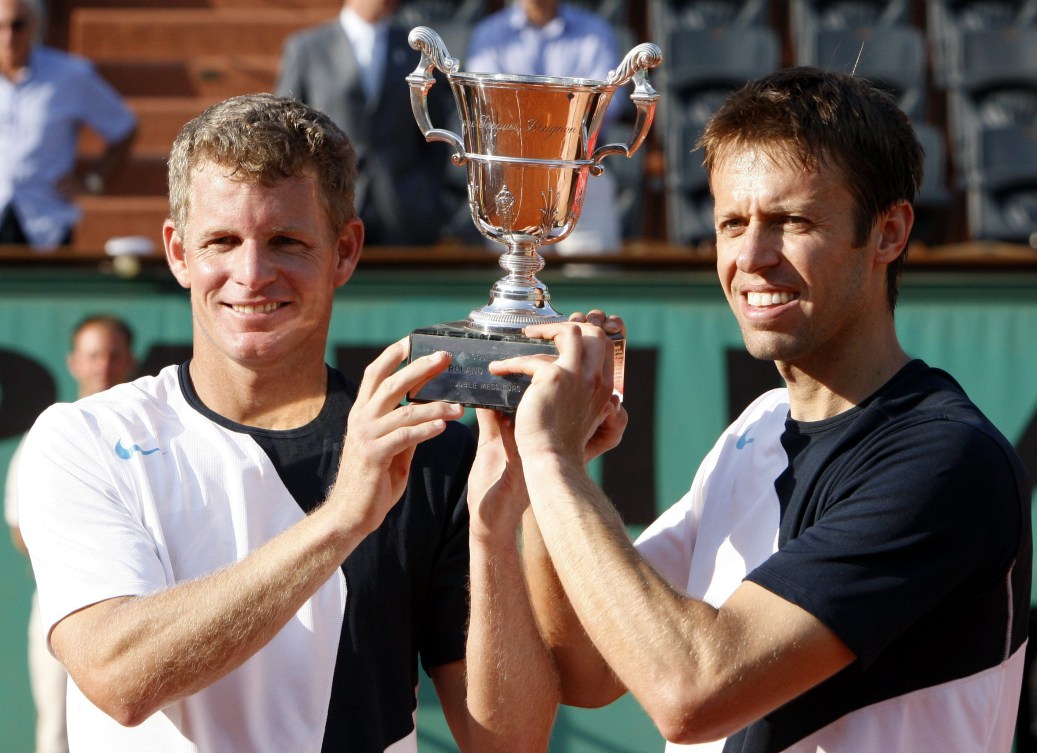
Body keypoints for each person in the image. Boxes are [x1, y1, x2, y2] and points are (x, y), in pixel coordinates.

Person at [477, 67, 1032, 752]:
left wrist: (552, 459)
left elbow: (692, 692)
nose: (751, 256)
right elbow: (589, 668)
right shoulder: (756, 427)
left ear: (887, 233)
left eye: (792, 220)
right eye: (731, 223)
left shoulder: (946, 459)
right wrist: (553, 480)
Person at [17, 93, 556, 753]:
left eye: (285, 241)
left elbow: (510, 743)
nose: (251, 273)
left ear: (345, 250)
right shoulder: (84, 440)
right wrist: (343, 518)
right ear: (177, 251)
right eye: (222, 240)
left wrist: (499, 518)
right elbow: (120, 677)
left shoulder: (429, 453)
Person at [4, 314, 136, 753]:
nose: (104, 365)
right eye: (95, 354)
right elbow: (21, 529)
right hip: (63, 606)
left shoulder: (150, 434)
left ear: (130, 361)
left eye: (114, 355)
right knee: (57, 732)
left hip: (144, 609)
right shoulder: (48, 436)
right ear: (75, 362)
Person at [274, 0, 455, 246]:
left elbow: (435, 131)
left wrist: (429, 194)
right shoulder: (308, 47)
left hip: (405, 212)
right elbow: (287, 130)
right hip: (329, 203)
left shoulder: (417, 53)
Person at [466, 0, 623, 254]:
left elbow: (607, 105)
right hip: (510, 177)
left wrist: (532, 118)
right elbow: (489, 107)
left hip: (581, 172)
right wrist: (558, 117)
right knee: (515, 277)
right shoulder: (488, 35)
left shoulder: (596, 32)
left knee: (593, 277)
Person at [0, 0, 137, 251]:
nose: (8, 36)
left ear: (35, 25)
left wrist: (93, 182)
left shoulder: (69, 75)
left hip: (46, 223)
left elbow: (123, 126)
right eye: (0, 26)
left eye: (17, 25)